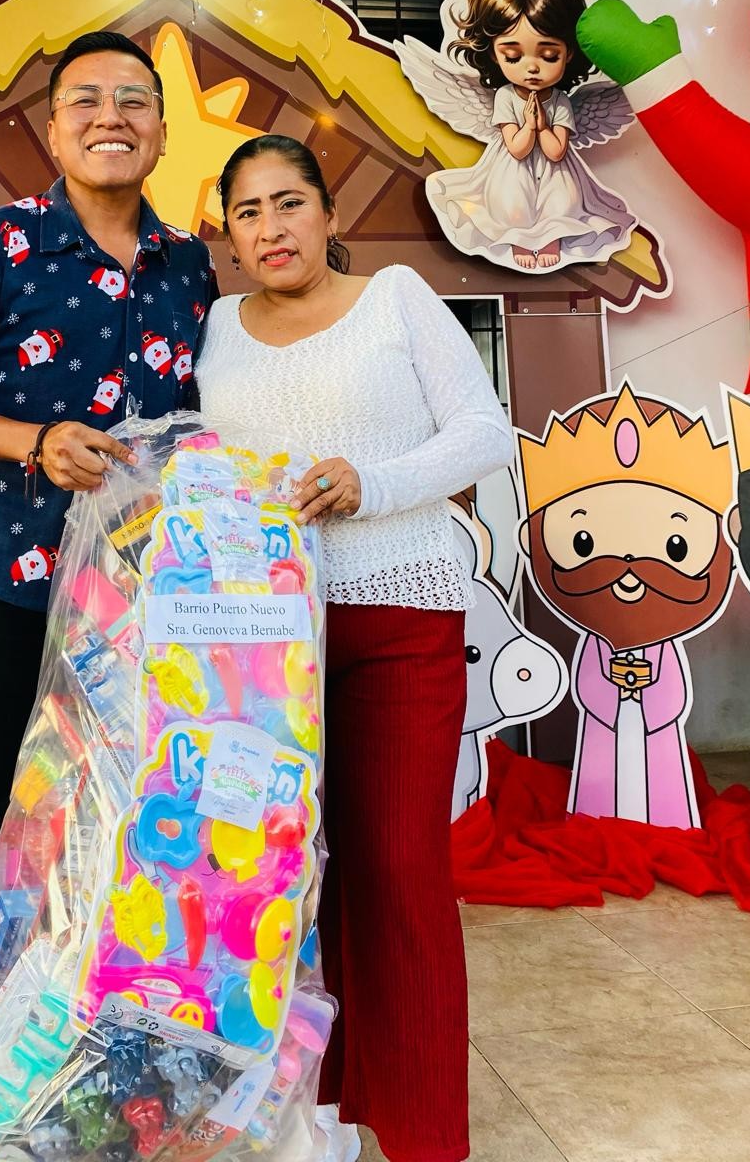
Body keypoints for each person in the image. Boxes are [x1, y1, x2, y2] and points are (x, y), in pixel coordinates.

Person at [195, 133, 514, 1162]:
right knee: (270, 876)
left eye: (290, 202)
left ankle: (423, 1131)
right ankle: (314, 1110)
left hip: (398, 618)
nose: (272, 227)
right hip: (259, 643)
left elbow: (484, 434)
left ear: (330, 215)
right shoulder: (214, 327)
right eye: (248, 211)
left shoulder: (396, 299)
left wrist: (371, 484)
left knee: (397, 867)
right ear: (229, 236)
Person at [0, 30, 216, 874]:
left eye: (133, 101)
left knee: (154, 798)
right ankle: (22, 958)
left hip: (160, 585)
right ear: (52, 131)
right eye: (86, 100)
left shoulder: (190, 263)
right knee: (29, 803)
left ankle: (132, 952)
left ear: (161, 132)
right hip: (22, 577)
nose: (110, 117)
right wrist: (35, 443)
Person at [422, 0, 634, 271]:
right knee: (510, 200)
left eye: (548, 56)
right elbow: (517, 149)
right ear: (493, 54)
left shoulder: (560, 101)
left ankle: (550, 238)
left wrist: (544, 126)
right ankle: (520, 237)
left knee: (564, 199)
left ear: (569, 53)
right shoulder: (506, 97)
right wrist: (529, 126)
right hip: (513, 167)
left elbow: (556, 151)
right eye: (513, 56)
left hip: (554, 170)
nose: (532, 67)